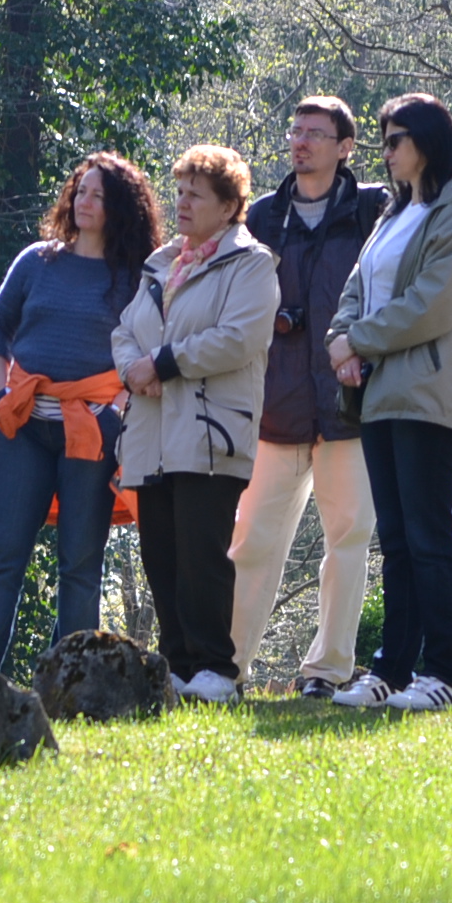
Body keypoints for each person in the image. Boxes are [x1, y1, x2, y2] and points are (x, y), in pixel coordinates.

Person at [324, 94, 452, 712]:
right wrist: (340, 342)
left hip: (430, 389)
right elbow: (357, 287)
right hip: (380, 392)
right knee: (397, 540)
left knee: (429, 535)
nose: (386, 151)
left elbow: (435, 303)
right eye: (384, 139)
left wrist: (357, 340)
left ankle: (447, 674)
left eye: (395, 139)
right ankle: (391, 672)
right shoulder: (394, 212)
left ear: (427, 141)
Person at [0, 154, 159, 674]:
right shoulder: (36, 261)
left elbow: (148, 351)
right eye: (81, 190)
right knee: (2, 557)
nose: (85, 202)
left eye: (99, 195)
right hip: (23, 427)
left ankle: (74, 679)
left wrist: (116, 408)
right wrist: (2, 395)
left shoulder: (134, 276)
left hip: (92, 432)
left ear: (120, 209)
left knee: (81, 565)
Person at [231, 97, 388, 697]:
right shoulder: (263, 217)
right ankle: (229, 666)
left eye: (316, 134)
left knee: (347, 539)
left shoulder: (373, 210)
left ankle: (327, 671)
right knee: (251, 540)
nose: (301, 142)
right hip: (276, 406)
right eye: (296, 131)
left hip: (349, 405)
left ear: (345, 148)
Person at [114, 146, 280, 703]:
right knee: (161, 555)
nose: (182, 202)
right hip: (152, 432)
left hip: (210, 433)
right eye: (180, 191)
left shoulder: (252, 264)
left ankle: (216, 669)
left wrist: (162, 363)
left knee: (201, 556)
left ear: (230, 206)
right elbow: (124, 331)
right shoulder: (160, 262)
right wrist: (134, 370)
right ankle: (179, 667)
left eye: (196, 195)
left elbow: (239, 337)